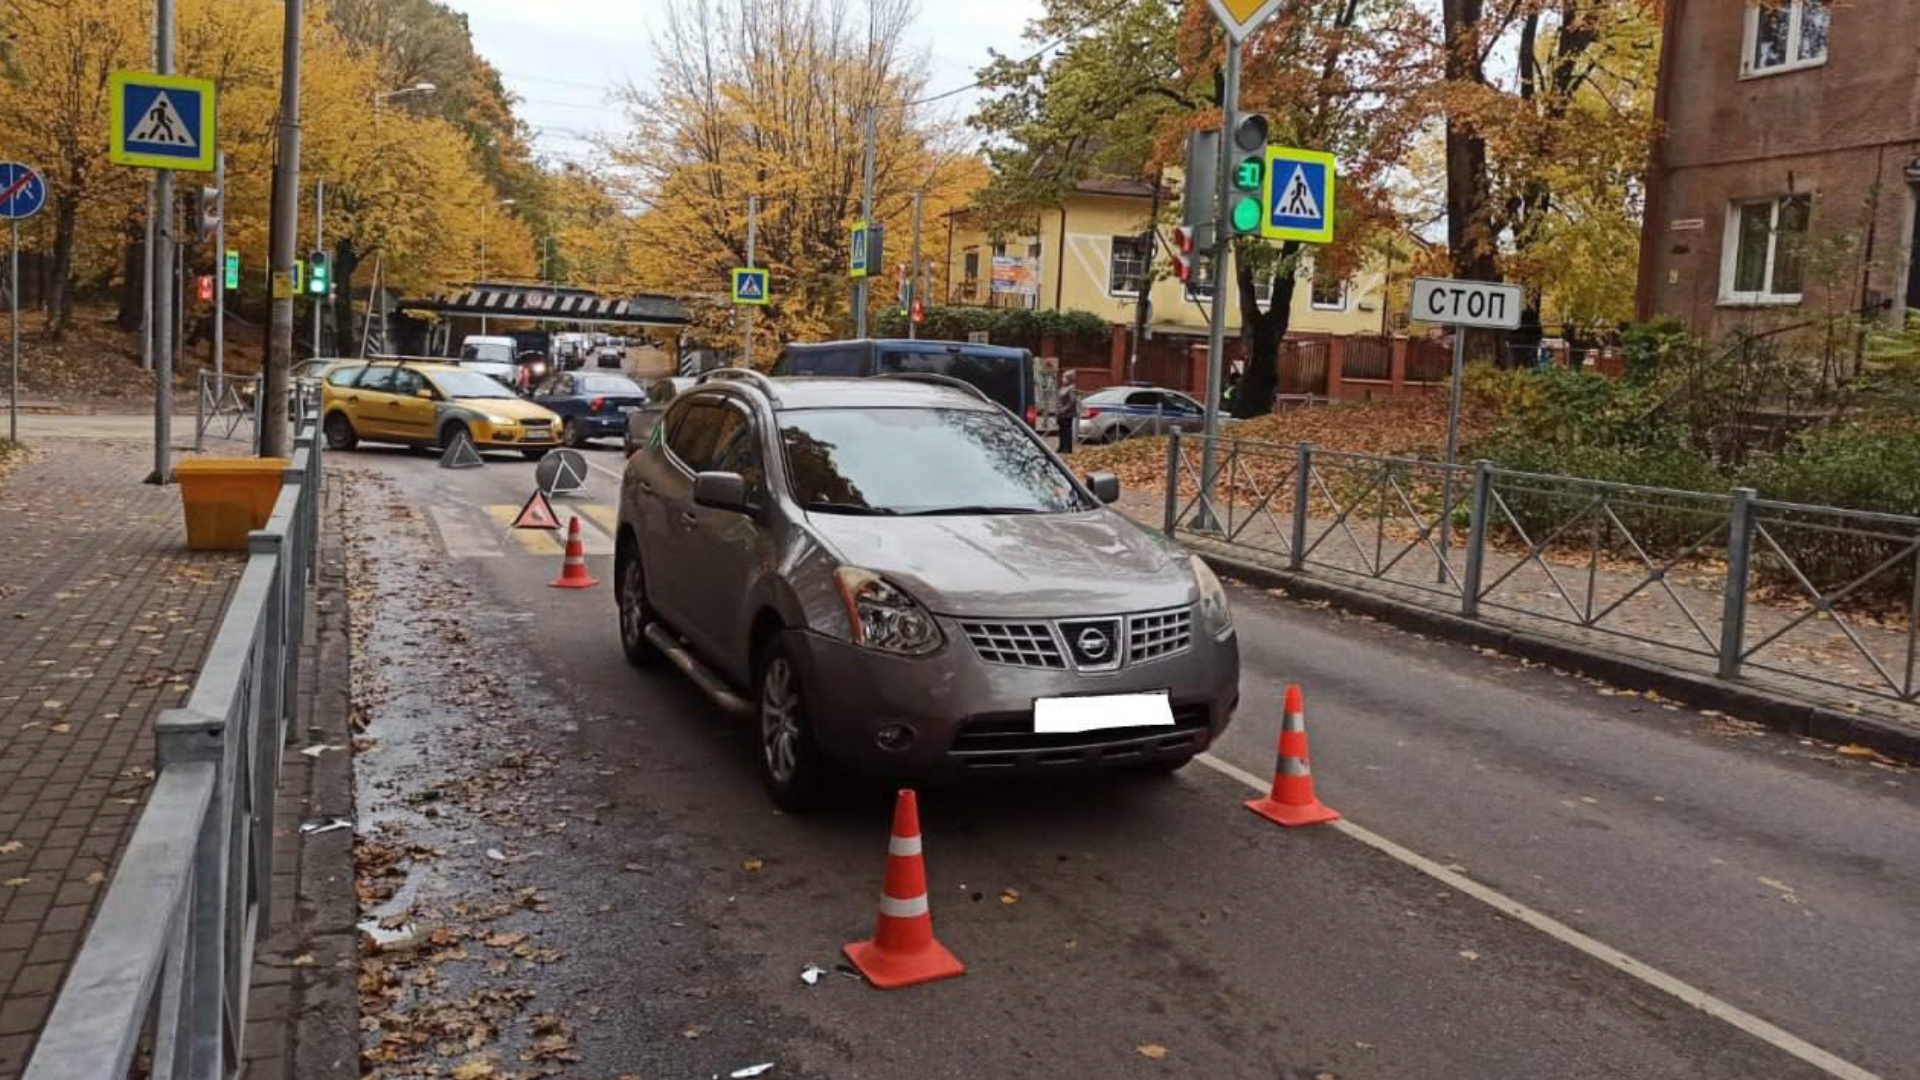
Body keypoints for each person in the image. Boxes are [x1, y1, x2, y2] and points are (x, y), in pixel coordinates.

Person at [1055, 370, 1079, 454]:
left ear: (1069, 379)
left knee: (1067, 431)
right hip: (1060, 413)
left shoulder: (1072, 388)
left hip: (1067, 414)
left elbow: (1073, 401)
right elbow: (1059, 399)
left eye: (1064, 377)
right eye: (1063, 377)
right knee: (1061, 431)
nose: (1062, 379)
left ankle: (1068, 448)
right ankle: (1061, 446)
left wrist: (1064, 409)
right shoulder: (1063, 387)